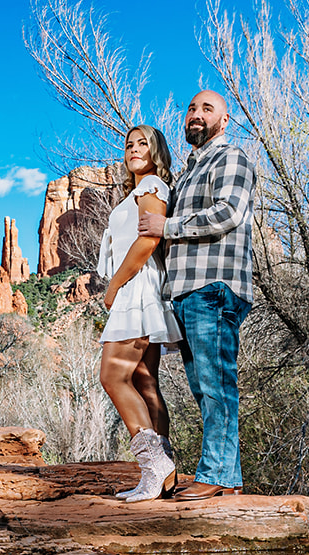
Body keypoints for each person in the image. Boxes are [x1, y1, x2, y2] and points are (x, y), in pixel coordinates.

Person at [138, 91, 257, 500]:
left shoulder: (232, 158)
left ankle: (217, 475)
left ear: (225, 121)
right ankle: (228, 480)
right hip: (188, 291)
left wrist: (165, 227)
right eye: (191, 108)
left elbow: (228, 213)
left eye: (207, 109)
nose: (196, 115)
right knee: (205, 385)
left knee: (215, 383)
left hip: (214, 286)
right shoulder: (190, 170)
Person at [98, 124, 183, 502]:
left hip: (137, 289)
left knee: (112, 375)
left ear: (156, 150)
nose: (134, 149)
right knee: (146, 381)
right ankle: (164, 482)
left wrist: (114, 285)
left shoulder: (151, 187)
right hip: (144, 288)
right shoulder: (138, 190)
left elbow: (149, 239)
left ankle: (153, 467)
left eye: (142, 143)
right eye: (129, 144)